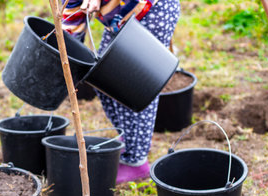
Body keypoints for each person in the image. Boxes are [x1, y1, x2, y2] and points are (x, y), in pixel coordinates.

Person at [62, 0, 180, 184]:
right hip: (119, 21)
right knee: (104, 82)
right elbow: (72, 14)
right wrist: (66, 54)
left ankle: (137, 162)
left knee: (134, 86)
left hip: (151, 10)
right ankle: (132, 138)